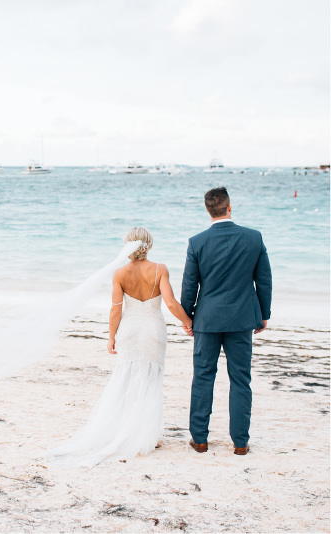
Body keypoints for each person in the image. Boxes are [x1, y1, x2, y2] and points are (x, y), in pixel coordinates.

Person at [46, 227, 192, 467]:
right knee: (151, 379)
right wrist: (188, 323)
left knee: (126, 378)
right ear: (149, 244)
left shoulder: (120, 273)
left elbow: (116, 309)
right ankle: (149, 436)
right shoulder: (160, 269)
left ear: (128, 245)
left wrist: (111, 336)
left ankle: (127, 429)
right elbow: (171, 303)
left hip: (129, 330)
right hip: (154, 329)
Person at [182, 187, 272, 456]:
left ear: (208, 210)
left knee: (203, 378)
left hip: (207, 320)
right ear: (229, 207)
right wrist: (263, 314)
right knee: (241, 380)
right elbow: (264, 280)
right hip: (242, 319)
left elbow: (189, 285)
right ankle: (240, 443)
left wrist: (187, 318)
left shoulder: (197, 242)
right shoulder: (253, 238)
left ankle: (200, 440)